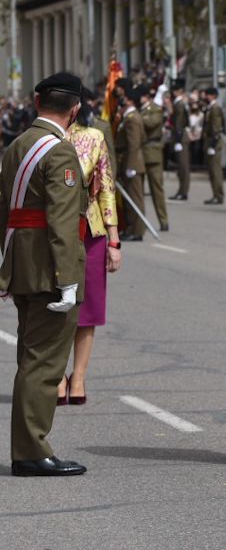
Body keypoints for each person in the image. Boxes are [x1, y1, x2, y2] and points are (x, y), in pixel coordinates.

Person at [1, 72, 88, 476]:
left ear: (38, 104)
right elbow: (62, 220)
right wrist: (68, 280)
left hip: (21, 262)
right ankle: (32, 450)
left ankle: (27, 447)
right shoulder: (60, 152)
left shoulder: (17, 144)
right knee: (44, 363)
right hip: (50, 268)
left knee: (30, 358)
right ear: (76, 109)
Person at [59, 92, 122, 407]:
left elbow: (106, 187)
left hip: (91, 231)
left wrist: (113, 240)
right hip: (52, 233)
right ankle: (57, 376)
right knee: (55, 306)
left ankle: (79, 376)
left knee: (88, 309)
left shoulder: (94, 137)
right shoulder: (42, 139)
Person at [116, 87, 147, 241]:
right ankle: (131, 228)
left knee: (135, 198)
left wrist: (130, 166)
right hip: (128, 161)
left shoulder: (133, 118)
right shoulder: (128, 117)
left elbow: (134, 144)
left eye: (125, 98)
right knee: (130, 199)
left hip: (133, 163)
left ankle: (138, 231)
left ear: (130, 101)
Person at [139, 85, 169, 231]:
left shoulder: (155, 109)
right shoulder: (140, 111)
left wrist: (137, 117)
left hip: (152, 152)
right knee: (138, 191)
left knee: (157, 189)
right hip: (140, 153)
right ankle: (140, 223)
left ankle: (163, 221)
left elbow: (152, 123)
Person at [202, 87, 226, 205]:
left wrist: (212, 144)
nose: (205, 97)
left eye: (207, 95)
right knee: (211, 170)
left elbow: (216, 127)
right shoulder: (211, 107)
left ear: (212, 96)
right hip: (210, 141)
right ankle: (215, 194)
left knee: (215, 170)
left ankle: (218, 195)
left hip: (214, 142)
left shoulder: (215, 108)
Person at [169, 80, 191, 201]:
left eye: (175, 90)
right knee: (181, 168)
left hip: (181, 138)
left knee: (183, 168)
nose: (173, 92)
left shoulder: (180, 104)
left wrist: (177, 140)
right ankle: (181, 190)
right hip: (180, 137)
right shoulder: (178, 104)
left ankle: (183, 192)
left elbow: (179, 123)